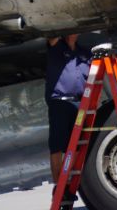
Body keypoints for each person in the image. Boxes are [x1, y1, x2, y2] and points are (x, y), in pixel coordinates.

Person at [46, 35, 92, 209]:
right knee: (57, 145)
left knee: (75, 147)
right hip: (60, 100)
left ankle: (69, 186)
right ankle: (59, 186)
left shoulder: (84, 52)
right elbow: (51, 36)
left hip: (79, 102)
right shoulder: (56, 46)